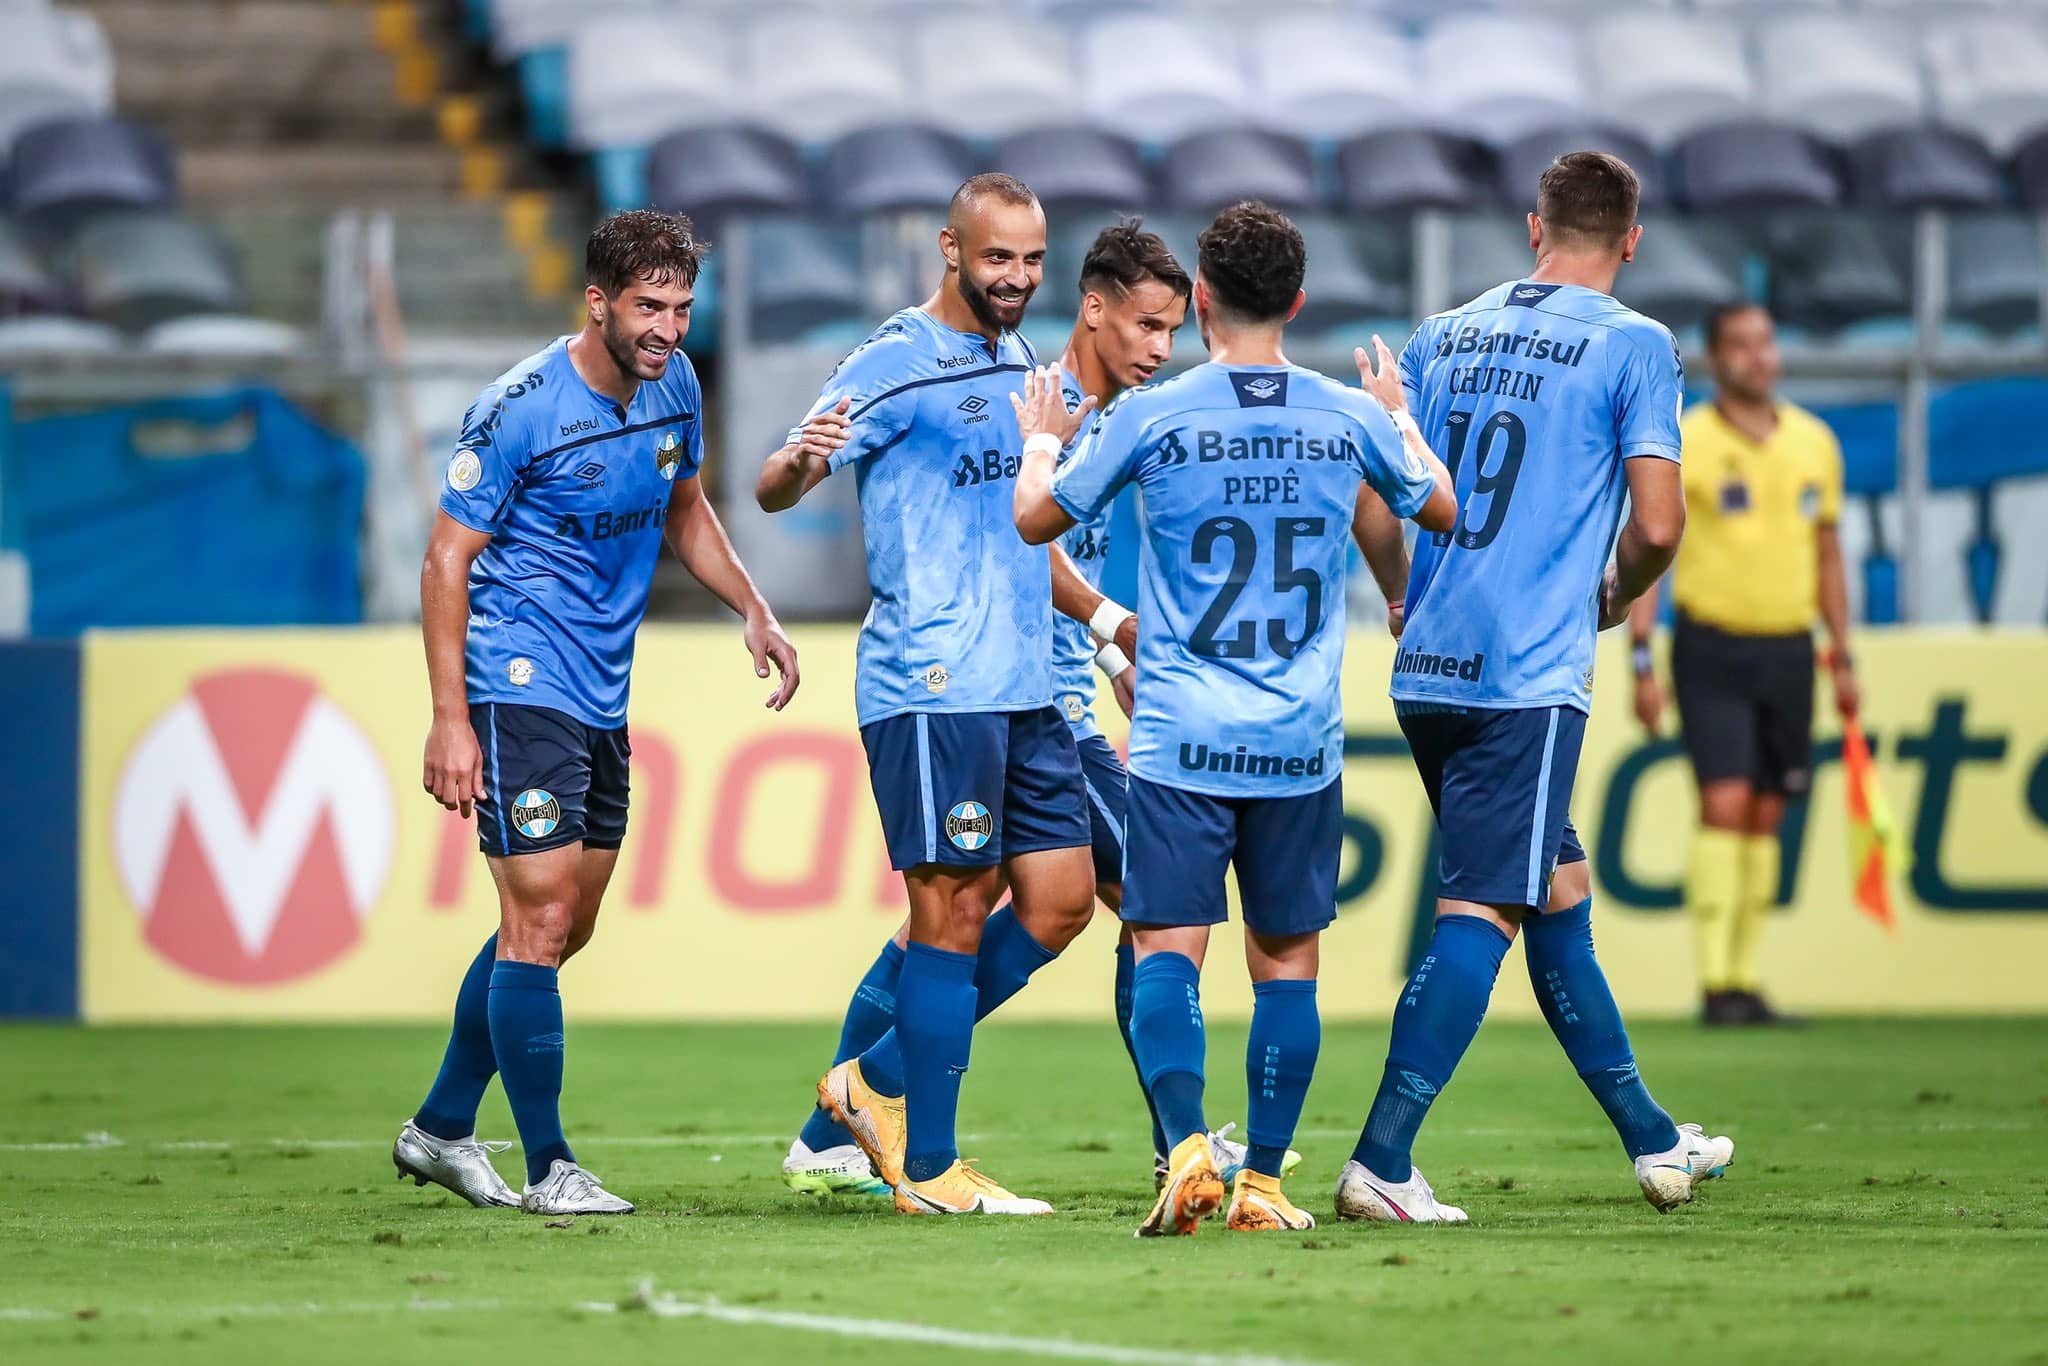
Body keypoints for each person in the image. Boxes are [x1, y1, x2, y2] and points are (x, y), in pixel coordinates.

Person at [1015, 200, 1457, 1236]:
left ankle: (1180, 1154)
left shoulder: (1151, 413)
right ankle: (1259, 1182)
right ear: (1297, 301)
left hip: (1178, 736)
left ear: (1199, 298)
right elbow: (1438, 506)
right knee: (1285, 966)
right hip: (1298, 742)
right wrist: (1394, 410)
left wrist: (1040, 441)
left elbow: (1035, 521)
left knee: (1164, 947)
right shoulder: (1343, 416)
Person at [1338, 152, 1735, 1225]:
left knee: (1553, 890)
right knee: (1483, 907)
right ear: (1632, 241)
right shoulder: (1635, 345)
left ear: (1532, 228)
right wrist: (1611, 592)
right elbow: (1657, 523)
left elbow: (1379, 505)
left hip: (1427, 667)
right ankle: (1380, 1157)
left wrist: (1399, 594)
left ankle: (1655, 1143)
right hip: (1525, 672)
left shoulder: (1438, 333)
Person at [396, 210, 799, 1216]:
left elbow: (685, 506)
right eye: (648, 306)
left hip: (598, 691)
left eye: (681, 307)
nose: (667, 327)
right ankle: (550, 1167)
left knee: (561, 924)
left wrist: (751, 603)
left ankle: (440, 1128)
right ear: (597, 301)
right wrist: (450, 718)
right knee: (535, 914)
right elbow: (446, 560)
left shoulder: (676, 385)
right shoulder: (518, 408)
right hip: (514, 677)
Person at [755, 174, 1099, 1216]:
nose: (1018, 279)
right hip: (933, 682)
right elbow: (776, 484)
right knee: (948, 912)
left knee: (1059, 900)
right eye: (999, 259)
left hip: (1026, 683)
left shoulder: (1022, 364)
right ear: (950, 249)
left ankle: (868, 1083)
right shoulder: (892, 360)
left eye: (1033, 260)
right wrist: (796, 462)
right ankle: (930, 1167)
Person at [1628, 302, 1857, 1027]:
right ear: (1716, 358)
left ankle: (1745, 980)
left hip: (1789, 648)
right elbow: (1652, 551)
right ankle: (1716, 981)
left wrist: (1842, 654)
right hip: (1712, 645)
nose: (1759, 357)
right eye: (1742, 346)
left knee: (1766, 809)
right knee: (1724, 802)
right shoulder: (1687, 441)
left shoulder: (1815, 443)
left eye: (1766, 342)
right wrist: (1641, 654)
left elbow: (1827, 554)